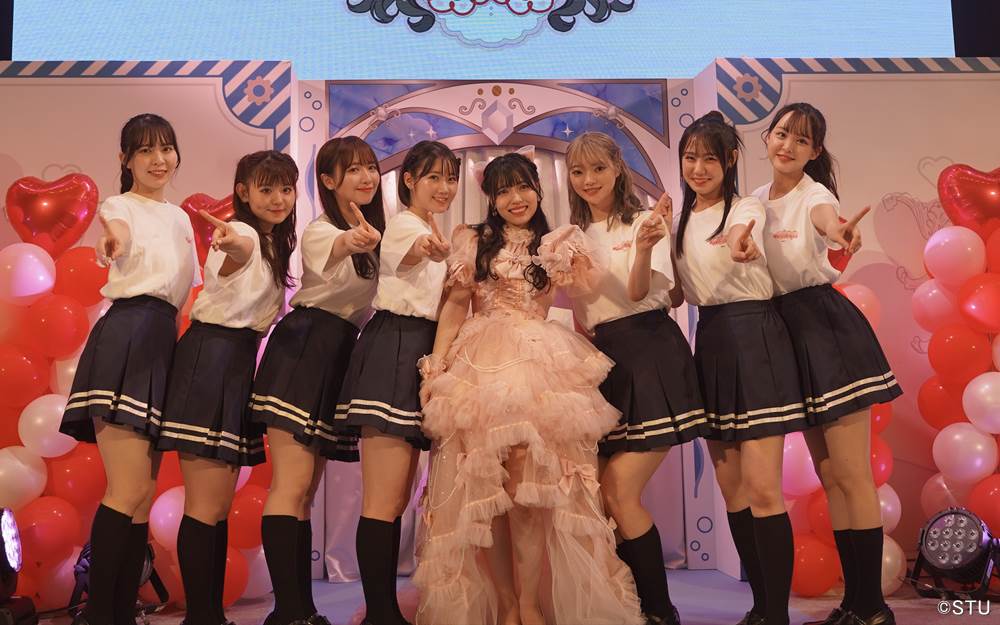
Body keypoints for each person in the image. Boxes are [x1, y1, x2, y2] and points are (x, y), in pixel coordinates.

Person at [414, 151, 643, 625]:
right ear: (491, 199)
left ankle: (530, 603)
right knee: (485, 493)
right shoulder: (471, 239)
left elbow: (590, 300)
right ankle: (505, 604)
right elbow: (456, 306)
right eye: (503, 191)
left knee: (528, 492)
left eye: (522, 187)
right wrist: (435, 368)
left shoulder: (559, 241)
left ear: (538, 190)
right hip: (479, 366)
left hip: (539, 364)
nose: (515, 199)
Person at [753, 102, 901, 625]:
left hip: (826, 332)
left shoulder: (816, 195)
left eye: (801, 140)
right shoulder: (753, 201)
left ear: (814, 152)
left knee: (853, 475)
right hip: (787, 337)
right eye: (781, 134)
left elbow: (826, 220)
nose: (787, 146)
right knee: (830, 474)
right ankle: (854, 602)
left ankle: (873, 607)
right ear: (767, 138)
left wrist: (838, 232)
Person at [562, 131, 709, 625]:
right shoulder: (570, 238)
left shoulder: (645, 221)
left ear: (617, 169)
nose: (588, 180)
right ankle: (633, 608)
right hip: (602, 363)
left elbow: (646, 293)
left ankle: (661, 612)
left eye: (598, 169)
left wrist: (644, 247)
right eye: (578, 172)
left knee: (620, 492)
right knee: (602, 498)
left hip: (650, 352)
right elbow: (576, 314)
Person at [60, 113, 199, 625]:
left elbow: (185, 296)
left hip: (164, 342)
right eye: (145, 151)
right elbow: (113, 231)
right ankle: (100, 614)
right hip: (128, 337)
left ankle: (120, 611)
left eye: (166, 148)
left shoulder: (181, 218)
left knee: (141, 496)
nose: (159, 160)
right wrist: (110, 243)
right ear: (126, 159)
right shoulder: (120, 206)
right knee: (126, 490)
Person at [673, 112, 809, 625]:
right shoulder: (678, 221)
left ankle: (776, 613)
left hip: (755, 338)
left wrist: (738, 241)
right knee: (732, 490)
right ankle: (759, 607)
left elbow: (740, 232)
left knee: (764, 490)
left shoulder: (745, 205)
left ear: (730, 160)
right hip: (710, 342)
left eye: (710, 158)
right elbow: (675, 293)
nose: (699, 168)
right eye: (690, 158)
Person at [156, 150, 297, 625]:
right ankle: (202, 617)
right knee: (205, 505)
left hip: (233, 364)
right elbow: (238, 249)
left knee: (215, 506)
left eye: (285, 189)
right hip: (210, 360)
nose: (277, 199)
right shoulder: (245, 234)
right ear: (242, 192)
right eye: (266, 189)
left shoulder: (273, 241)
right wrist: (234, 241)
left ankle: (208, 615)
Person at [250, 136, 384, 625]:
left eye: (370, 167)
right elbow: (337, 246)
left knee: (306, 492)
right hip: (304, 348)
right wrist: (354, 240)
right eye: (353, 170)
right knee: (291, 484)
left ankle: (301, 610)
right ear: (328, 181)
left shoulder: (377, 234)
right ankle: (287, 612)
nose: (366, 177)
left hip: (338, 354)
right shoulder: (321, 230)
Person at [334, 140, 460, 625]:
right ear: (409, 180)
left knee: (397, 499)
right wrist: (428, 249)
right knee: (383, 500)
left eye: (451, 178)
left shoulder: (430, 226)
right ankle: (381, 614)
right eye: (433, 177)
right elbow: (406, 254)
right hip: (395, 347)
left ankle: (384, 611)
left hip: (419, 350)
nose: (444, 187)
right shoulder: (407, 226)